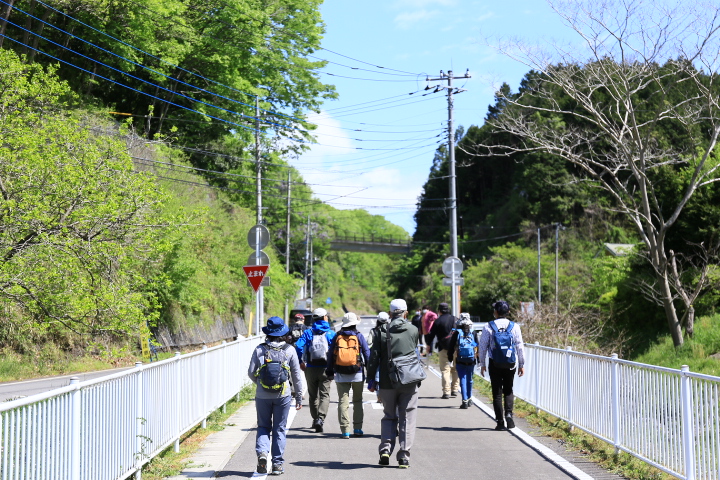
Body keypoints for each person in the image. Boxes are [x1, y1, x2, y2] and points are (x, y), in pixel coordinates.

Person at [367, 299, 421, 469]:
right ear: (406, 313)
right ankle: (404, 456)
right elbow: (415, 352)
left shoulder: (382, 331)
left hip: (386, 380)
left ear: (390, 314)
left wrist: (370, 379)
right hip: (409, 379)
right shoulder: (413, 330)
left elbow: (374, 357)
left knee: (389, 415)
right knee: (407, 417)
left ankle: (385, 449)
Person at [248, 316, 303, 476]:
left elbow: (251, 372)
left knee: (263, 426)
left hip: (262, 395)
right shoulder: (289, 350)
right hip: (283, 395)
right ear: (283, 332)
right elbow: (296, 376)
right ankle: (277, 464)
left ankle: (263, 454)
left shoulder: (260, 349)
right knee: (279, 429)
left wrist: (260, 384)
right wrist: (298, 397)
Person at [478, 300, 525, 430]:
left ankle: (500, 422)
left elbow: (483, 346)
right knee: (509, 390)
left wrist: (482, 363)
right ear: (508, 312)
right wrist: (521, 364)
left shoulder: (489, 326)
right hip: (510, 362)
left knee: (497, 393)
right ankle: (509, 414)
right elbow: (520, 346)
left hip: (495, 363)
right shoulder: (514, 326)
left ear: (496, 312)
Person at [326, 312, 371, 438]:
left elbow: (330, 355)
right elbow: (367, 354)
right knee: (357, 401)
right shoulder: (359, 336)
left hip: (340, 373)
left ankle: (345, 430)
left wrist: (329, 371)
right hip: (357, 372)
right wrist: (370, 371)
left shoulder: (337, 336)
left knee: (342, 401)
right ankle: (357, 428)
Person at [294, 307, 336, 433]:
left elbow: (298, 346)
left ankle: (315, 418)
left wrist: (300, 361)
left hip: (310, 368)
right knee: (325, 395)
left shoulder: (308, 332)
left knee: (313, 395)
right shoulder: (331, 333)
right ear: (325, 318)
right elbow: (336, 351)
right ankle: (320, 419)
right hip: (325, 368)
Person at [447, 313, 480, 409]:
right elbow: (477, 346)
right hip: (471, 359)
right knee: (470, 379)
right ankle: (470, 399)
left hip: (460, 359)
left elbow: (451, 347)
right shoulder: (473, 332)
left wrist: (450, 358)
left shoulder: (457, 332)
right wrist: (478, 360)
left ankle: (464, 400)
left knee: (463, 379)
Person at [428, 302, 459, 399]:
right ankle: (455, 390)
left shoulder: (437, 321)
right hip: (455, 348)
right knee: (455, 369)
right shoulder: (455, 319)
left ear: (439, 310)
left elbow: (431, 335)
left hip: (443, 348)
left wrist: (429, 345)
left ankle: (446, 392)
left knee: (445, 370)